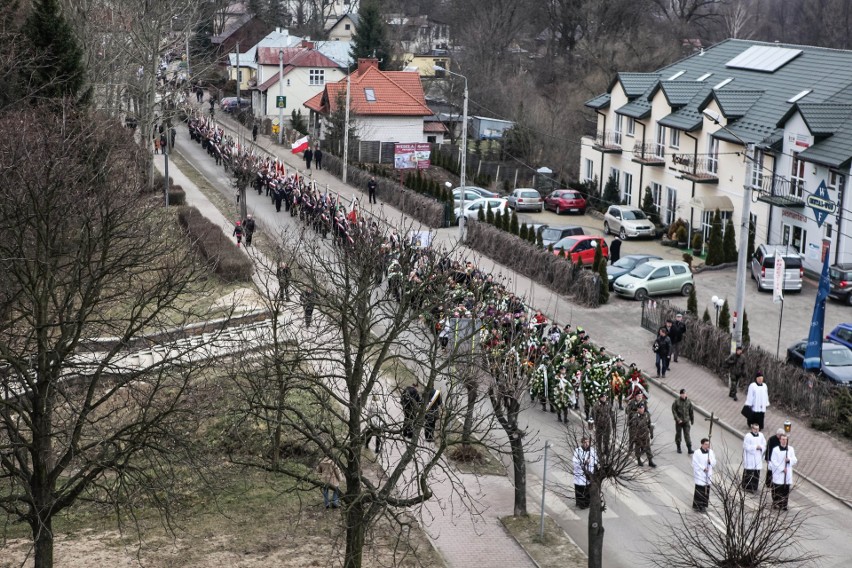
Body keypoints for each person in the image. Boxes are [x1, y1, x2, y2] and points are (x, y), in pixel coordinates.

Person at [768, 434, 797, 510]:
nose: (784, 441)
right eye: (783, 439)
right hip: (778, 473)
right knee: (777, 489)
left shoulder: (790, 449)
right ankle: (776, 503)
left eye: (785, 439)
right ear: (780, 440)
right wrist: (781, 469)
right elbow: (773, 461)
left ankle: (784, 504)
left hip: (787, 474)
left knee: (785, 490)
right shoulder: (776, 450)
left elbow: (795, 459)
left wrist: (789, 460)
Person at [692, 438, 716, 513]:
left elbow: (714, 461)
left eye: (708, 444)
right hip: (700, 474)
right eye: (705, 444)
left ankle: (704, 505)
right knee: (700, 490)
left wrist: (710, 461)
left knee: (706, 490)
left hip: (707, 474)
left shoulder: (710, 452)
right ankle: (698, 505)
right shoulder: (697, 452)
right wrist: (703, 468)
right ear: (702, 444)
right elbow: (695, 463)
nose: (707, 446)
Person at [572, 437, 597, 509]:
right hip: (580, 474)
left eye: (588, 442)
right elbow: (575, 462)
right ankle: (580, 503)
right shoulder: (577, 451)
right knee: (580, 489)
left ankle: (587, 502)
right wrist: (584, 463)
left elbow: (595, 460)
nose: (587, 444)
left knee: (588, 489)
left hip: (589, 474)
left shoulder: (592, 451)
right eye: (585, 442)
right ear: (582, 443)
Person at [742, 423, 766, 493]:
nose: (756, 430)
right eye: (755, 429)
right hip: (750, 456)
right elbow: (745, 446)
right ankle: (746, 486)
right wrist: (755, 447)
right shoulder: (748, 436)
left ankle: (754, 487)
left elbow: (764, 444)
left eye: (758, 429)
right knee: (749, 472)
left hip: (758, 456)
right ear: (752, 429)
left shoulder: (761, 435)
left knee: (756, 473)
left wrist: (761, 447)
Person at [671, 388, 694, 454]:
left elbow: (691, 411)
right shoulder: (676, 401)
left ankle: (689, 448)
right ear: (680, 394)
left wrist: (692, 419)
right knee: (678, 434)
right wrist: (677, 419)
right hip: (679, 421)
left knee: (687, 434)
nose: (684, 395)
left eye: (684, 394)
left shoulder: (688, 401)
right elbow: (674, 411)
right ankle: (678, 447)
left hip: (686, 421)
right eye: (682, 394)